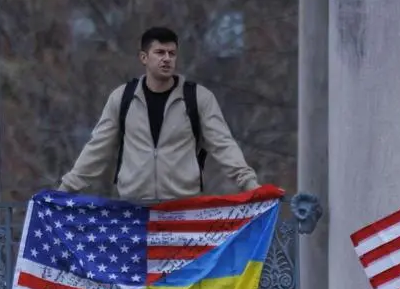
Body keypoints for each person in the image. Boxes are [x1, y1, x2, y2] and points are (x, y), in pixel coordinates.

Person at [59, 26, 258, 203]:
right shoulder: (122, 98)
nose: (167, 59)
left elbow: (223, 144)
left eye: (172, 53)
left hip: (184, 209)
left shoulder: (198, 98)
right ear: (144, 57)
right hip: (134, 210)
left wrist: (249, 184)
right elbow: (98, 148)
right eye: (160, 52)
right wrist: (66, 189)